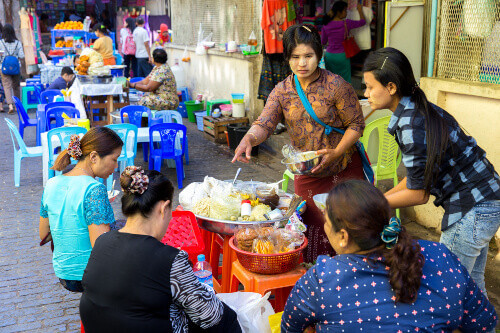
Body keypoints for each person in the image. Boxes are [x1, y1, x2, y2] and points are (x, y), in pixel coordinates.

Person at [362, 47, 500, 296]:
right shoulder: (416, 108)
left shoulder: (410, 124)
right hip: (488, 198)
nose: (366, 94)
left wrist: (373, 205)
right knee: (471, 282)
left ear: (391, 87)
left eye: (371, 87)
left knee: (445, 288)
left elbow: (418, 194)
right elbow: (415, 179)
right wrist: (378, 200)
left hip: (473, 205)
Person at [281, 180, 498, 332]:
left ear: (344, 236)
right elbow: (484, 323)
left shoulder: (323, 279)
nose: (325, 227)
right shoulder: (440, 256)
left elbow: (289, 327)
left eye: (326, 222)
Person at [232, 24, 365, 262]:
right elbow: (265, 123)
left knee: (349, 229)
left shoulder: (337, 85)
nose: (302, 63)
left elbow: (356, 124)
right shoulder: (282, 91)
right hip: (307, 173)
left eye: (308, 56)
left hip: (343, 168)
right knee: (311, 230)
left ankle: (351, 281)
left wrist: (336, 152)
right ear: (287, 58)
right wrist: (248, 139)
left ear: (319, 55)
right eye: (295, 57)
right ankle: (317, 278)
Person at [80, 167, 242, 332]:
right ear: (163, 209)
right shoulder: (170, 259)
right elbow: (210, 315)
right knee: (227, 318)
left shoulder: (102, 241)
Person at [39, 127, 123, 292]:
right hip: (86, 275)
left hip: (63, 273)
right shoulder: (94, 189)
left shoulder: (51, 184)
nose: (116, 166)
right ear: (93, 157)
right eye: (114, 159)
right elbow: (101, 247)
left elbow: (44, 235)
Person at [321, 2, 366, 83]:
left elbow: (323, 41)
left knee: (330, 80)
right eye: (345, 10)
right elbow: (363, 22)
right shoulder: (346, 23)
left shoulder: (326, 25)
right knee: (345, 81)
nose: (346, 12)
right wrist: (360, 10)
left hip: (329, 56)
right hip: (343, 56)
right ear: (339, 12)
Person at [0, 24, 24, 114]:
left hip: (4, 67)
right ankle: (17, 105)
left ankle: (10, 106)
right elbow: (22, 55)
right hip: (16, 68)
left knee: (7, 86)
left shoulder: (1, 43)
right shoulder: (18, 43)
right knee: (16, 86)